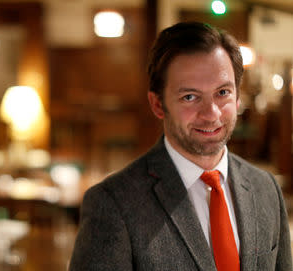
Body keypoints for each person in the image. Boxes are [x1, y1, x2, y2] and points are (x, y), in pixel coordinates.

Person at [69, 22, 292, 271]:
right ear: (157, 104)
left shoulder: (266, 188)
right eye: (190, 97)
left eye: (222, 92)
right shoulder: (112, 204)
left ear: (238, 97)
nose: (211, 113)